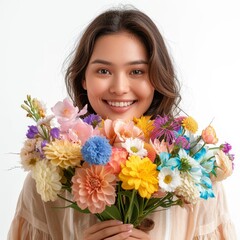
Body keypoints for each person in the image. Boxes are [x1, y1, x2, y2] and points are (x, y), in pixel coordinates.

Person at [8, 6, 237, 240]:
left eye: (136, 71)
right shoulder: (48, 181)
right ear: (83, 78)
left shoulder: (199, 180)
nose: (119, 88)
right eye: (104, 70)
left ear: (156, 79)